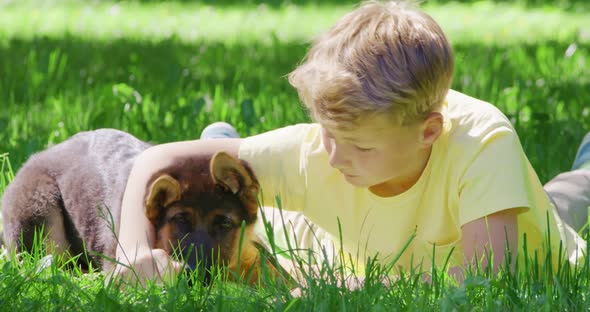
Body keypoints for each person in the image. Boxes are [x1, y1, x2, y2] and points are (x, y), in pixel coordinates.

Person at [111, 1, 588, 286]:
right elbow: (157, 159)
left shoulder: (483, 143)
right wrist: (135, 255)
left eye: (360, 146)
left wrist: (363, 288)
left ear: (428, 132)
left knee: (563, 199)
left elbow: (489, 284)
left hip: (517, 223)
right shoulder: (325, 151)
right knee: (266, 207)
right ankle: (228, 149)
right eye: (328, 134)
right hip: (324, 235)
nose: (335, 157)